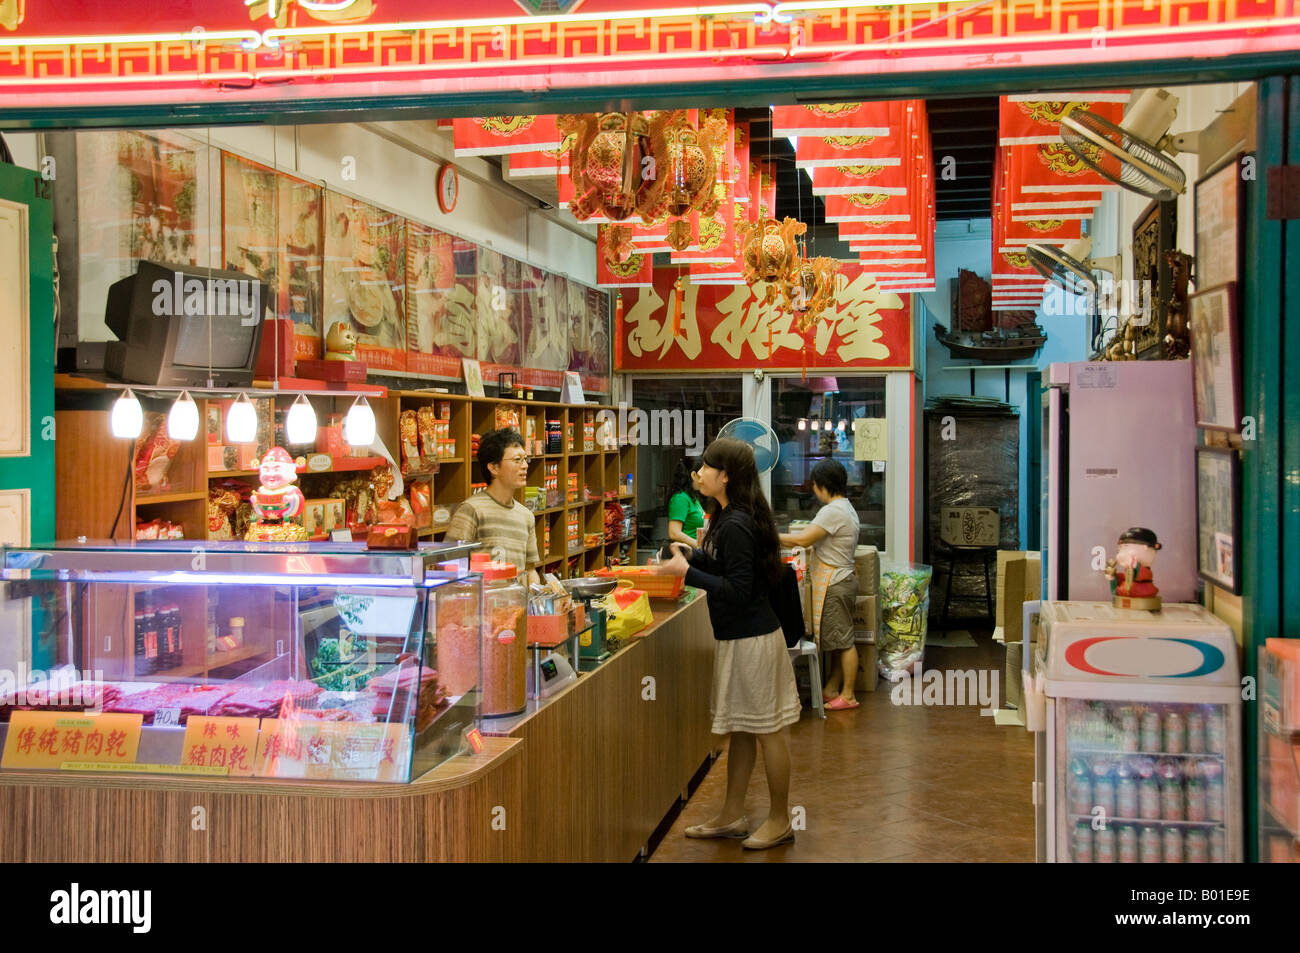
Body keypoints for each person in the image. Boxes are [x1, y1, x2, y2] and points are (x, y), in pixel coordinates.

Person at [654, 437, 800, 850]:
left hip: (754, 640)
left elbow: (738, 590)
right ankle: (732, 814)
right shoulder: (727, 516)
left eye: (705, 466)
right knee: (741, 730)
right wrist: (693, 557)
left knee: (769, 731)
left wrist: (688, 572)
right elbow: (724, 566)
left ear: (726, 476)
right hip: (738, 638)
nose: (698, 473)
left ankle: (780, 819)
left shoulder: (736, 523)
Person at [780, 459, 861, 710]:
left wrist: (767, 535)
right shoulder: (844, 507)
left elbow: (803, 540)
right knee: (838, 640)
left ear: (821, 485)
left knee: (844, 641)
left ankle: (848, 695)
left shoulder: (833, 511)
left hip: (836, 582)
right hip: (842, 579)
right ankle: (832, 687)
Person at [446, 428, 541, 585]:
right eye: (517, 460)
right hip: (483, 605)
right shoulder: (471, 509)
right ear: (494, 467)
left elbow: (530, 570)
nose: (525, 466)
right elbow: (449, 565)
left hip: (516, 606)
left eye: (525, 459)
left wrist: (537, 597)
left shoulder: (526, 515)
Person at [666, 457, 706, 549]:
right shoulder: (680, 498)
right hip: (686, 553)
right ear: (694, 475)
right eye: (703, 473)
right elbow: (674, 533)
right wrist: (699, 545)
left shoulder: (693, 497)